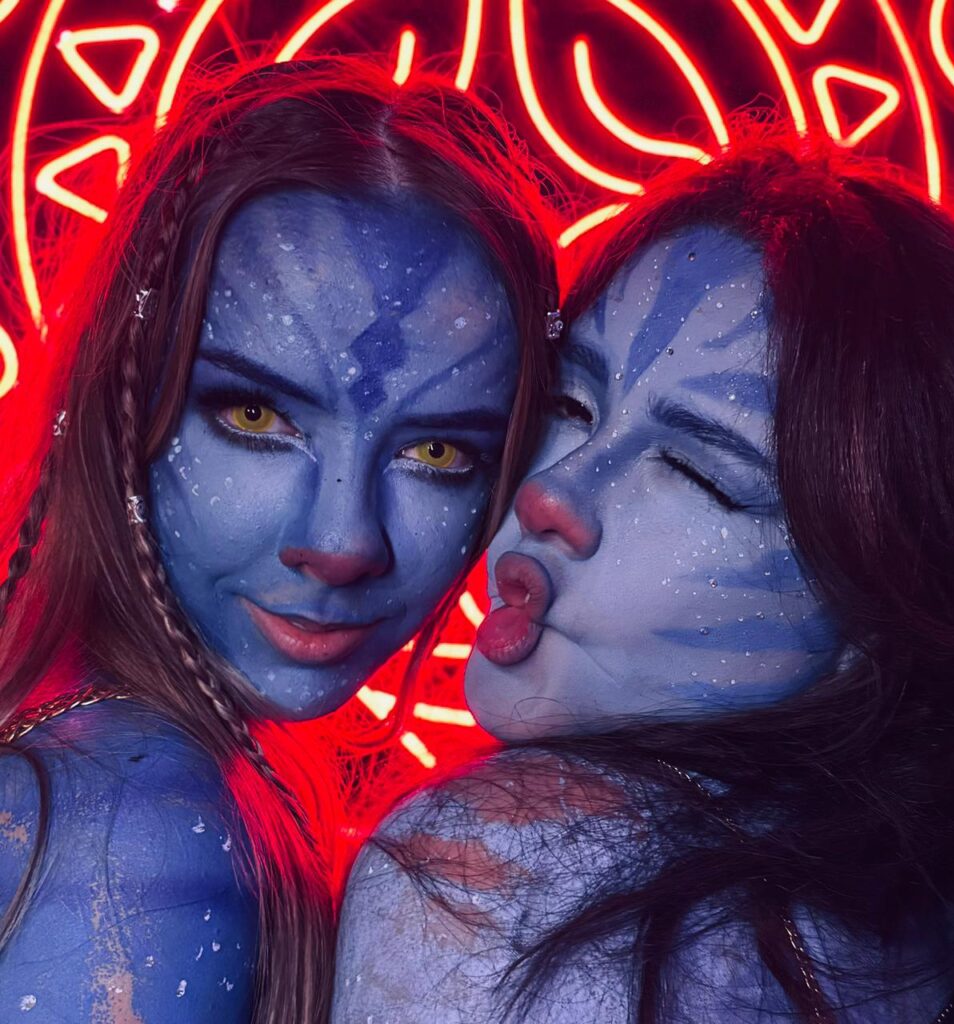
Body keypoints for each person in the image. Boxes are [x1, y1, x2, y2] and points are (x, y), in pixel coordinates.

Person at [334, 137, 954, 1022]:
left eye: (699, 472)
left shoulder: (495, 874)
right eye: (569, 404)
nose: (552, 493)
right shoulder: (933, 931)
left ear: (917, 614)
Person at [0, 57, 556, 1022]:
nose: (344, 541)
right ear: (119, 404)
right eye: (254, 415)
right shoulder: (142, 831)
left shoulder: (85, 751)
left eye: (438, 451)